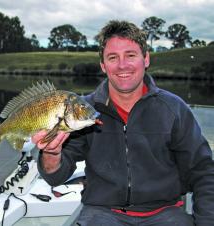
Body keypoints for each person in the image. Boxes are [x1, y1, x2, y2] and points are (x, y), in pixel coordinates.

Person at [32, 20, 214, 226]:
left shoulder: (174, 109)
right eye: (112, 57)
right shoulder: (81, 112)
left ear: (145, 59)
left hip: (166, 214)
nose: (122, 65)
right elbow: (55, 178)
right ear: (103, 65)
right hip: (102, 214)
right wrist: (51, 154)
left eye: (130, 55)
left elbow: (203, 172)